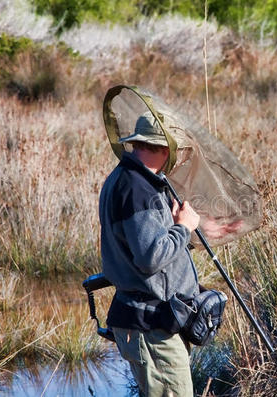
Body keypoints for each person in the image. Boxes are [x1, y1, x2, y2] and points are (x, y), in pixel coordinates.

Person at [99, 111, 200, 397]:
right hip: (151, 329)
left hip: (150, 324)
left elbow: (147, 247)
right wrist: (183, 228)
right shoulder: (136, 188)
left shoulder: (133, 180)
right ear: (167, 148)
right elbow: (149, 258)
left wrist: (176, 228)